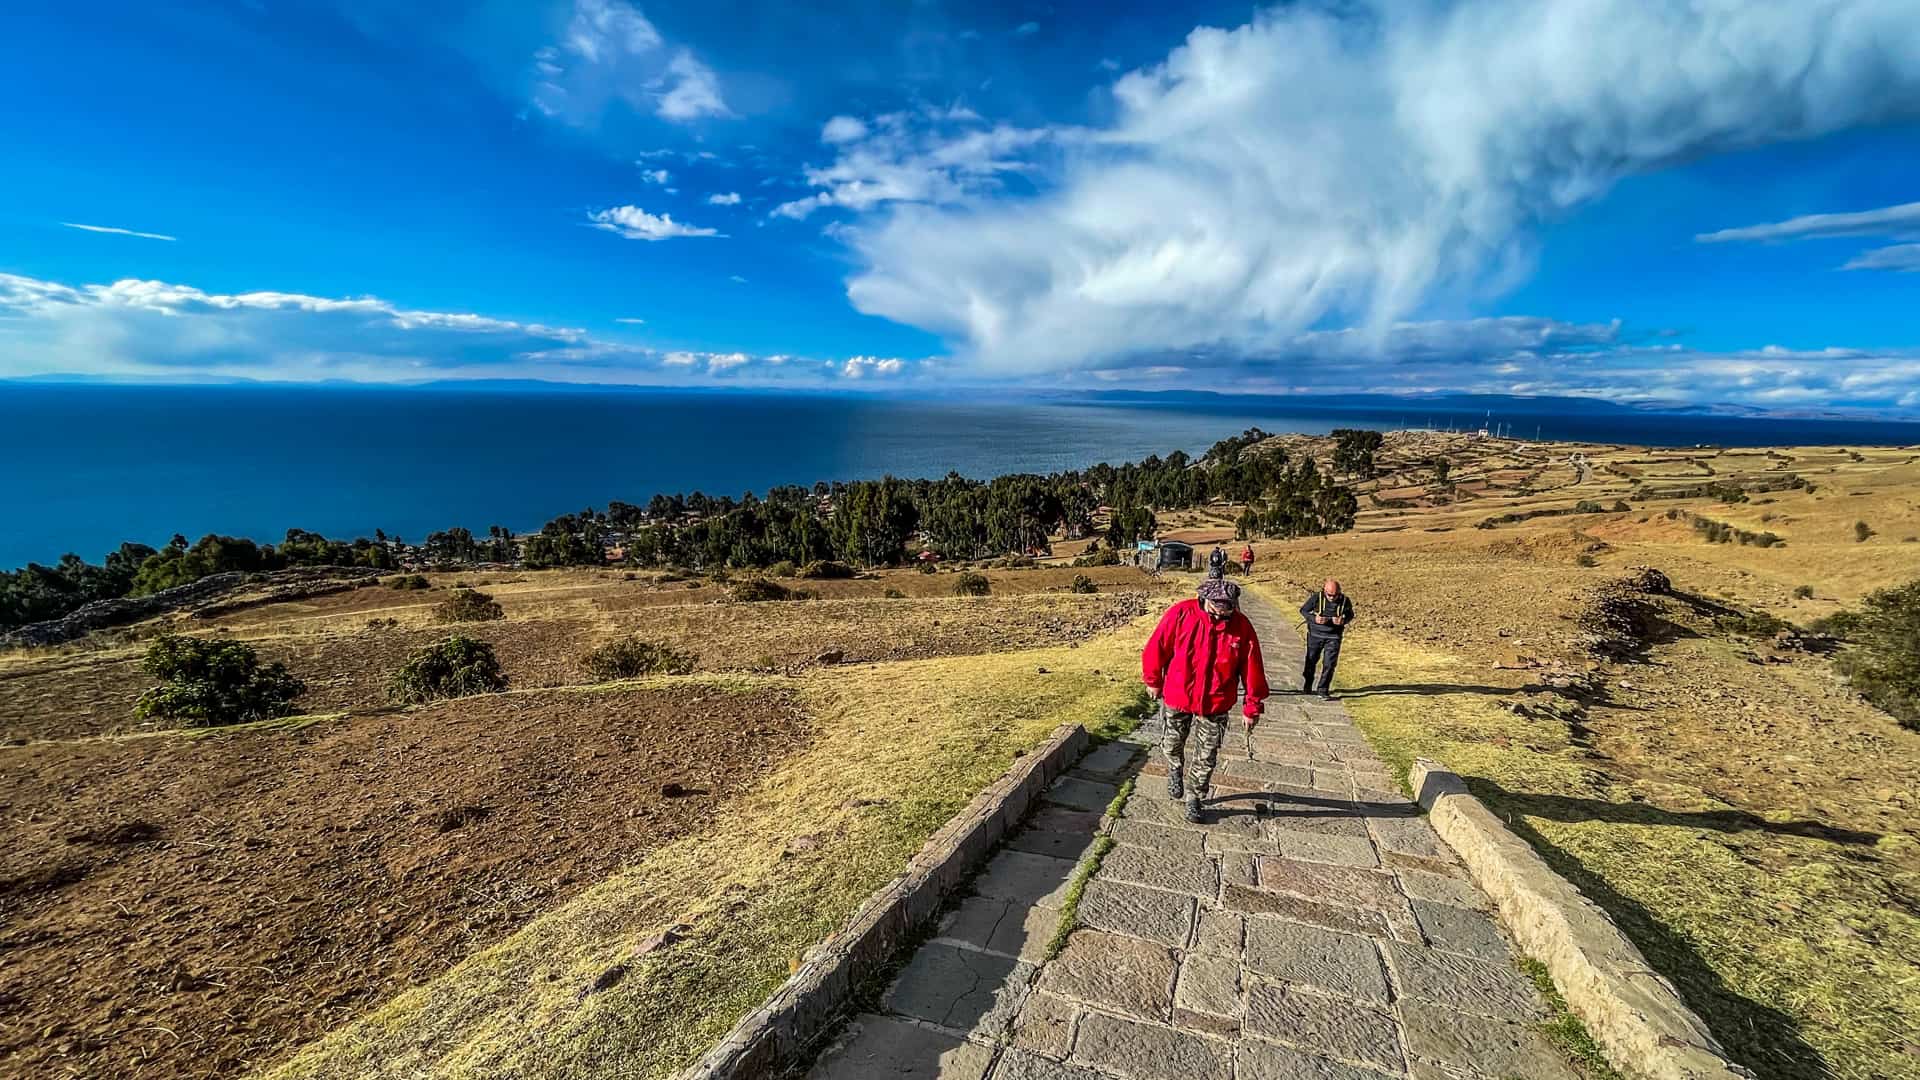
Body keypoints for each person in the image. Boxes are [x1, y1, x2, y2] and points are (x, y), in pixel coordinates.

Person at [1142, 576, 1269, 823]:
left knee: (1206, 755)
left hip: (1216, 702)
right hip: (1178, 695)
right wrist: (1153, 680)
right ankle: (1175, 768)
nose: (1221, 611)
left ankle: (1195, 797)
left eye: (1227, 607)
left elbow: (1252, 668)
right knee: (1171, 743)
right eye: (1216, 606)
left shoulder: (1242, 627)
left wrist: (1252, 707)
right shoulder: (1181, 613)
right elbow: (1157, 646)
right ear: (1204, 599)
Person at [1299, 578, 1354, 699]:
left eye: (1335, 595)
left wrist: (1343, 621)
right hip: (1315, 635)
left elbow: (1351, 615)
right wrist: (1314, 619)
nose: (1332, 598)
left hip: (1334, 636)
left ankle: (1323, 689)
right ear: (1324, 591)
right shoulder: (1316, 598)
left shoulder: (1345, 600)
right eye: (1329, 595)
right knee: (1311, 661)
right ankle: (1308, 683)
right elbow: (1303, 610)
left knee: (1329, 664)